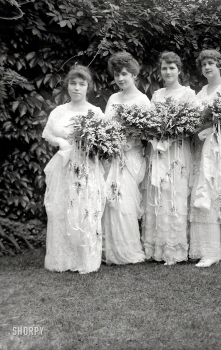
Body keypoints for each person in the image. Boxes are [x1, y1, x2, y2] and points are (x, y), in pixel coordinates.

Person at [42, 65, 104, 274]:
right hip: (63, 165)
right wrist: (60, 141)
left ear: (88, 87)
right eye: (73, 84)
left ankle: (85, 258)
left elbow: (103, 141)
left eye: (82, 84)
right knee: (61, 208)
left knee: (84, 208)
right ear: (67, 86)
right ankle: (63, 257)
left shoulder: (94, 112)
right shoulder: (59, 111)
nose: (77, 88)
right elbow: (48, 133)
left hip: (85, 165)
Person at [142, 51, 196, 265]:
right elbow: (151, 122)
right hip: (159, 150)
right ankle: (157, 247)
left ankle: (174, 249)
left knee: (175, 194)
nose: (168, 72)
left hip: (178, 151)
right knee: (159, 193)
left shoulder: (188, 94)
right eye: (164, 68)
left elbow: (192, 124)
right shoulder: (156, 95)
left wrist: (174, 134)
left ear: (179, 70)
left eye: (172, 68)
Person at [190, 49, 221, 268]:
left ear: (220, 65)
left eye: (211, 63)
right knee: (202, 193)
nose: (207, 68)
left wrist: (214, 128)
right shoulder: (200, 93)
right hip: (202, 149)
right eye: (204, 65)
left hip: (219, 149)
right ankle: (206, 249)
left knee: (213, 193)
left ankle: (214, 251)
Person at [103, 51, 149, 265]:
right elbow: (106, 127)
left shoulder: (142, 100)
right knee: (111, 200)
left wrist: (128, 142)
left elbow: (147, 133)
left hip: (131, 157)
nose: (120, 78)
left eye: (124, 74)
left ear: (133, 74)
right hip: (113, 156)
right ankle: (112, 250)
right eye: (117, 75)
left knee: (125, 202)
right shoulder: (113, 99)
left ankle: (129, 250)